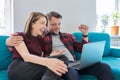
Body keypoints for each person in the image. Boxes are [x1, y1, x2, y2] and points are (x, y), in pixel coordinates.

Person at [6, 11, 115, 80]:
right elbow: (23, 52)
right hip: (62, 66)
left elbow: (83, 49)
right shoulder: (43, 38)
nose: (57, 27)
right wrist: (8, 42)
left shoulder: (68, 36)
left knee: (104, 67)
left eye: (59, 24)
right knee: (63, 63)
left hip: (74, 63)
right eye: (53, 24)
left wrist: (85, 34)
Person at [7, 12, 70, 80]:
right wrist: (49, 61)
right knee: (62, 58)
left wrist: (50, 57)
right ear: (32, 23)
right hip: (19, 68)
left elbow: (39, 60)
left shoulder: (41, 41)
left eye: (46, 24)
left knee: (61, 65)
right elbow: (26, 56)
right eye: (42, 23)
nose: (45, 27)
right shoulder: (20, 35)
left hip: (32, 70)